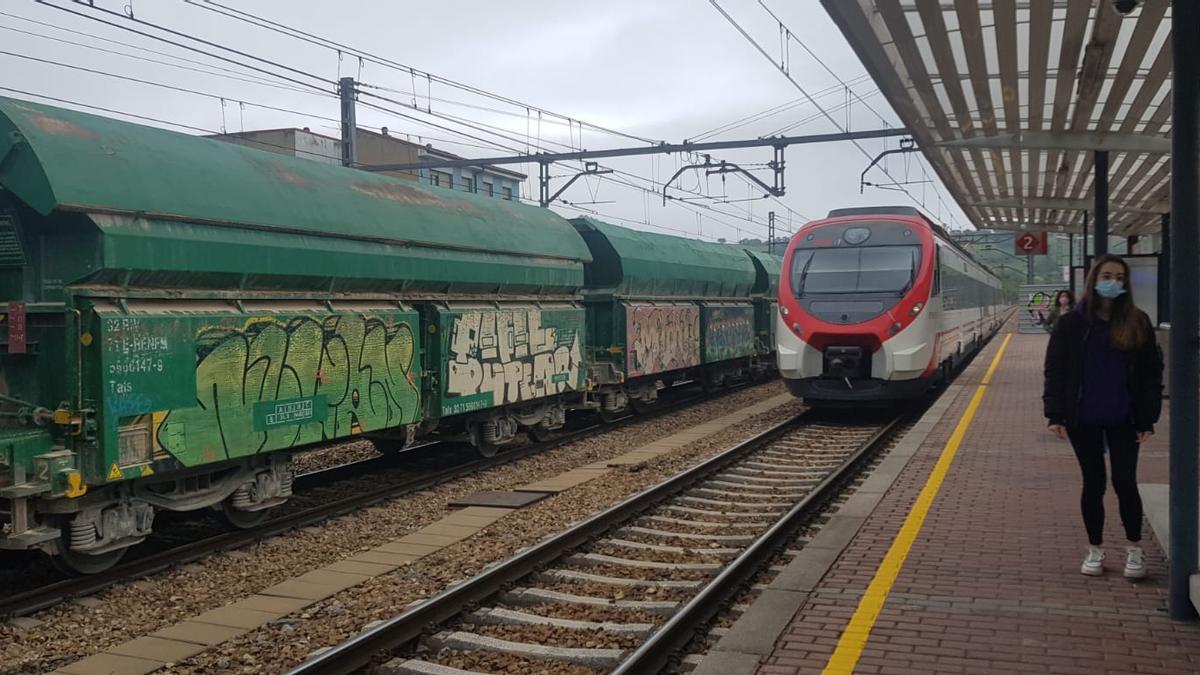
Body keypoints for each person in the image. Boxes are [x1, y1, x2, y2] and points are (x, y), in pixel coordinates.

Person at [1043, 254, 1162, 578]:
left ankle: (1134, 551)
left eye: (1120, 278)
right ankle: (1095, 550)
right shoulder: (1071, 324)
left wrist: (1147, 417)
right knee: (1093, 483)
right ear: (1093, 279)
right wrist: (1054, 413)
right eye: (1108, 275)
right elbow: (1056, 369)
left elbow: (1152, 374)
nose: (1114, 282)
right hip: (1084, 417)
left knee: (1125, 482)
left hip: (1125, 417)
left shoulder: (1137, 321)